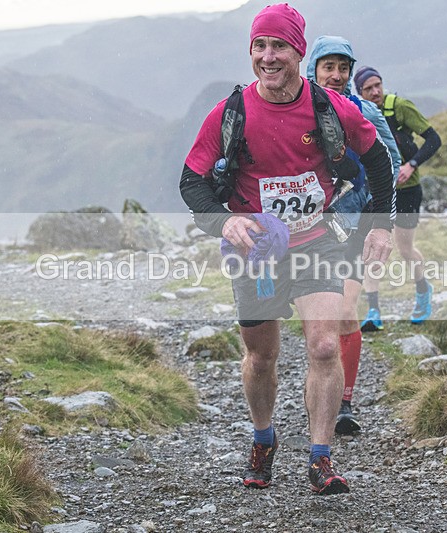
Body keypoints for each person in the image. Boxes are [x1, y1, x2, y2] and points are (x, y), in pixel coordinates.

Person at [179, 4, 395, 495]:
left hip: (317, 240)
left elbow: (378, 162)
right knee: (262, 357)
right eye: (260, 46)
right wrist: (225, 220)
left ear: (299, 51)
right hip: (256, 251)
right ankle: (263, 438)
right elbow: (192, 181)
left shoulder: (329, 107)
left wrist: (381, 228)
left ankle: (321, 458)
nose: (268, 56)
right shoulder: (231, 113)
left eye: (279, 46)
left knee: (322, 343)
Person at [305, 35, 401, 435]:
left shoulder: (365, 111)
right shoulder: (299, 111)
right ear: (313, 69)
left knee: (345, 311)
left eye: (343, 68)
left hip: (356, 223)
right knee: (317, 321)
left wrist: (361, 197)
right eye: (329, 67)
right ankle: (322, 388)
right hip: (309, 227)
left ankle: (343, 403)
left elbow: (391, 162)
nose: (338, 75)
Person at [353, 66, 443, 330]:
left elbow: (433, 139)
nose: (376, 91)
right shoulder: (356, 111)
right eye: (368, 88)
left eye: (378, 85)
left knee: (404, 249)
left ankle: (423, 291)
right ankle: (373, 311)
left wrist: (411, 164)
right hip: (376, 192)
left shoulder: (400, 108)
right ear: (359, 92)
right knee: (370, 250)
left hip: (407, 190)